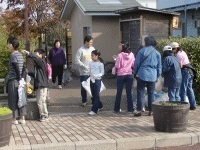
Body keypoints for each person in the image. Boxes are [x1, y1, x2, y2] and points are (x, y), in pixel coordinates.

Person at [133, 36, 162, 116]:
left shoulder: (141, 51)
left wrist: (134, 72)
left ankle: (139, 109)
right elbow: (159, 66)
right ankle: (151, 110)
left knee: (140, 92)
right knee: (151, 93)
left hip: (142, 74)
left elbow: (136, 63)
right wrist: (157, 75)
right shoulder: (157, 53)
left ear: (146, 42)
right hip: (152, 75)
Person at [21, 49, 49, 121]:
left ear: (40, 55)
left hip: (42, 84)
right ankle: (44, 115)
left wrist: (28, 52)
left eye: (36, 54)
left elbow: (35, 58)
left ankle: (44, 115)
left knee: (41, 100)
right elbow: (36, 75)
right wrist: (28, 72)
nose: (35, 56)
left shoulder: (41, 61)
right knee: (40, 100)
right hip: (40, 84)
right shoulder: (37, 65)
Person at [170, 42, 197, 110]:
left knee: (183, 89)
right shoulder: (182, 52)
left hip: (185, 72)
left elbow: (180, 65)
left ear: (176, 48)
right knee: (189, 89)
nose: (172, 51)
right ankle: (193, 105)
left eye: (173, 49)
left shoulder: (178, 55)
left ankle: (183, 106)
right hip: (190, 71)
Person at [7, 37, 26, 125]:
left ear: (12, 44)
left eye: (8, 44)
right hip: (20, 80)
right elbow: (23, 68)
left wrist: (18, 79)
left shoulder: (13, 55)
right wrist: (21, 78)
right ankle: (22, 118)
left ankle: (14, 119)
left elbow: (16, 67)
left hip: (14, 80)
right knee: (21, 98)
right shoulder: (20, 55)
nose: (8, 46)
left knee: (13, 99)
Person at [114, 42, 135, 113]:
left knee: (119, 92)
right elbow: (133, 64)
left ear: (123, 47)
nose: (118, 46)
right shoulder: (132, 54)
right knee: (129, 93)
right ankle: (130, 109)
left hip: (121, 75)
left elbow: (117, 66)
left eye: (120, 45)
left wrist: (115, 60)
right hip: (129, 74)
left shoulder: (120, 55)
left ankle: (116, 109)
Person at [75, 35, 95, 106]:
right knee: (84, 87)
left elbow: (95, 58)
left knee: (93, 86)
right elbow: (77, 60)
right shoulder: (81, 50)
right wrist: (84, 66)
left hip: (92, 72)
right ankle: (84, 100)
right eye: (90, 42)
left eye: (92, 42)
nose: (91, 44)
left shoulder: (92, 49)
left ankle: (93, 100)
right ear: (86, 42)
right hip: (84, 72)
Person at [88, 50, 104, 115]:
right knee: (93, 95)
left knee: (96, 95)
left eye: (93, 55)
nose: (91, 57)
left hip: (97, 80)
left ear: (97, 56)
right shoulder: (90, 63)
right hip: (91, 80)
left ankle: (94, 110)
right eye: (91, 55)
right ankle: (100, 105)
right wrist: (89, 73)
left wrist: (96, 75)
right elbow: (89, 69)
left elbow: (102, 73)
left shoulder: (100, 64)